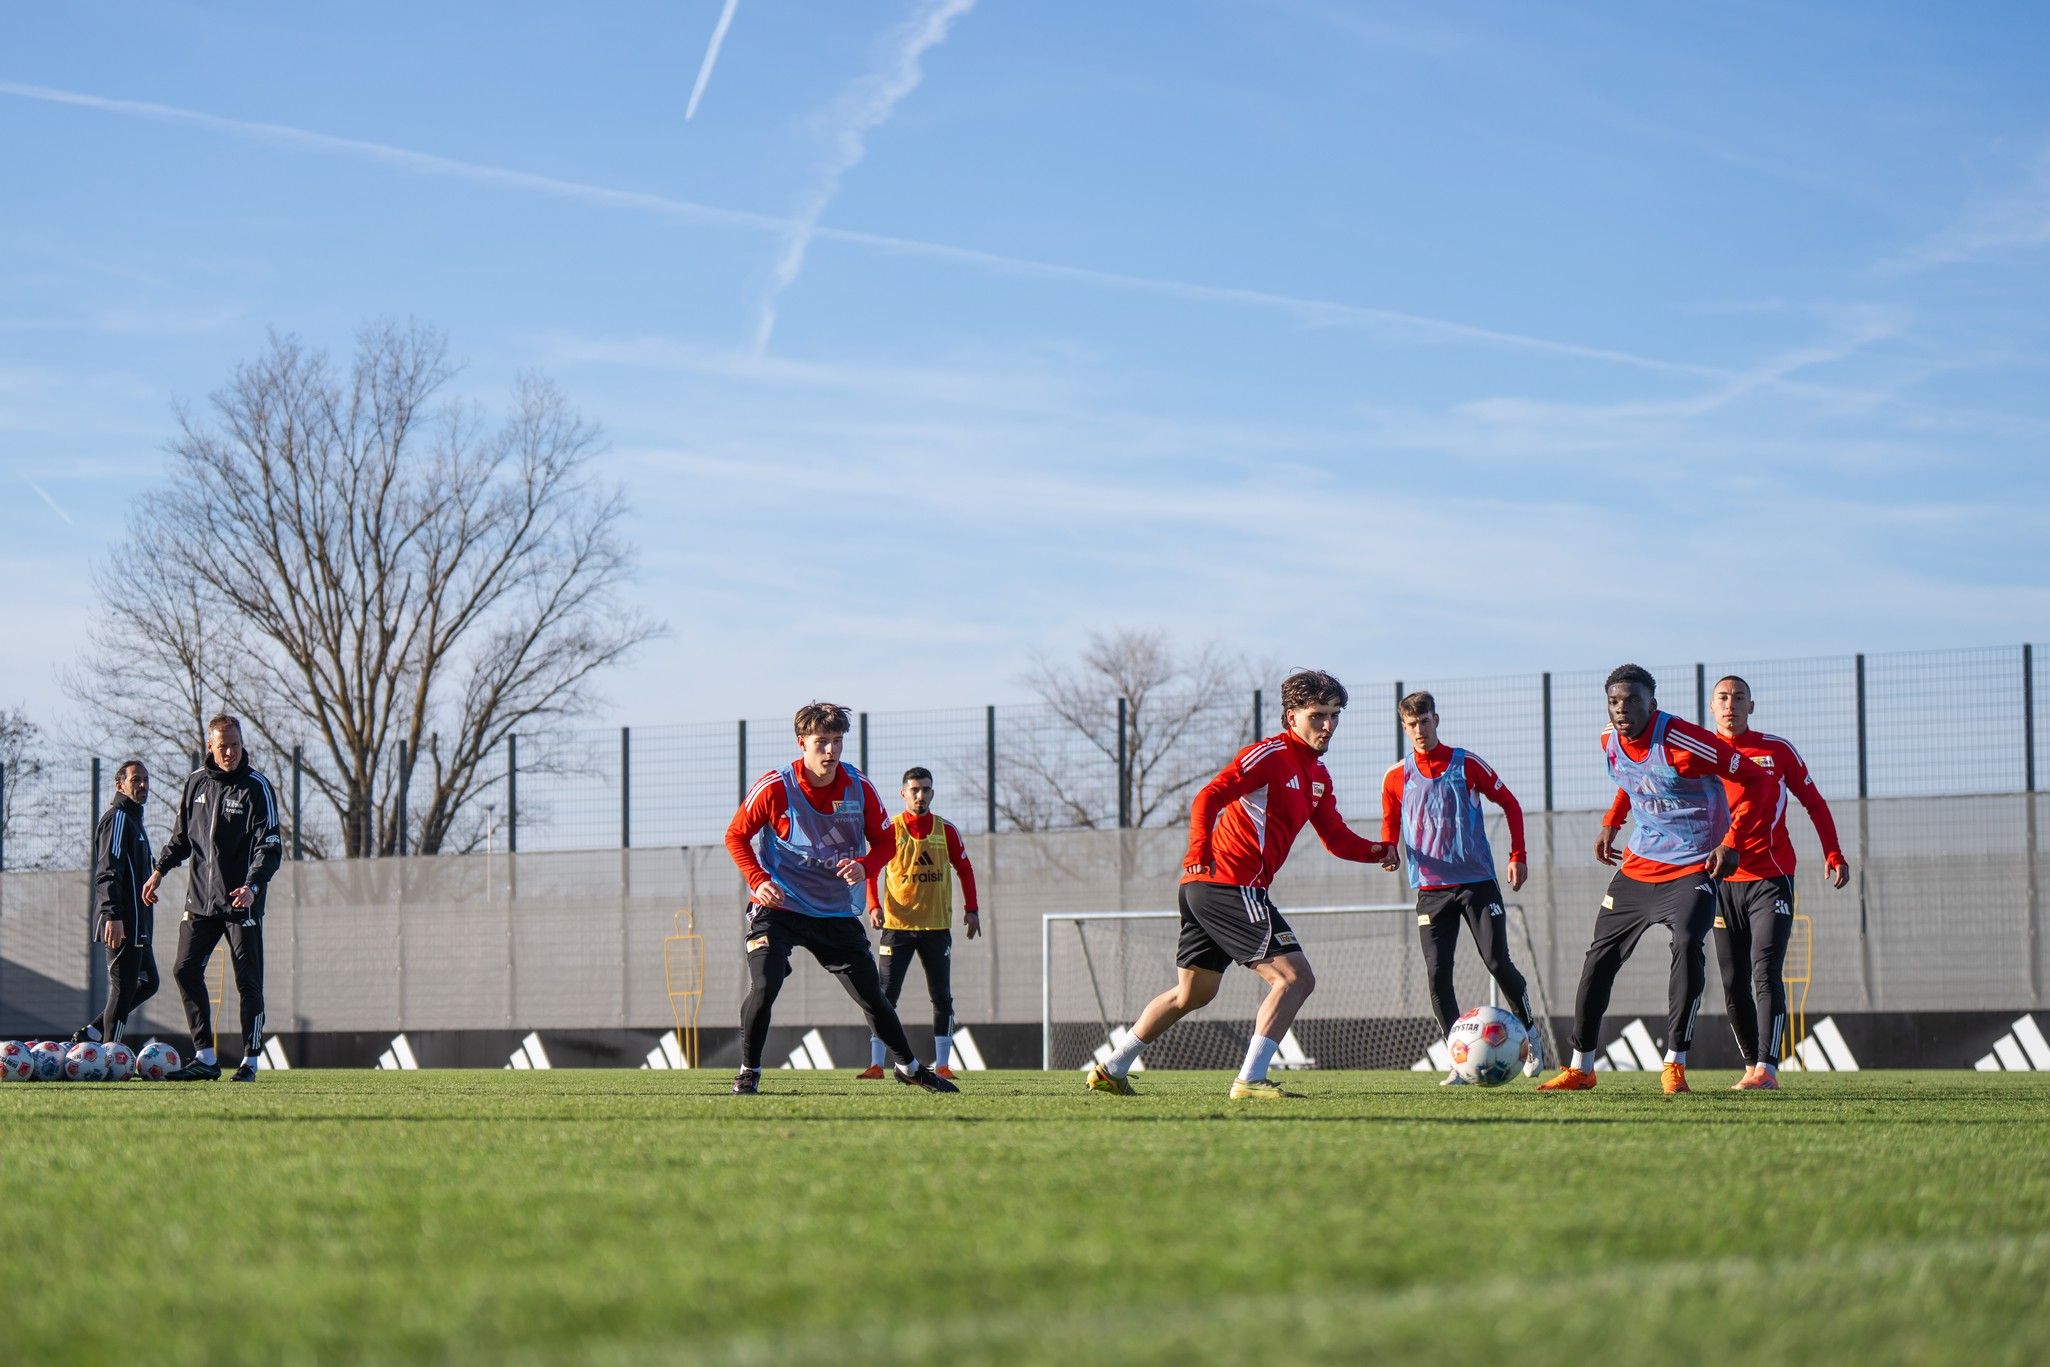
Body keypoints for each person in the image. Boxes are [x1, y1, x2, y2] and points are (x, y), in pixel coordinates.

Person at [1086, 669, 1394, 1100]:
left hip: (1212, 891)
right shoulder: (1269, 755)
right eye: (1318, 715)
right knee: (1295, 978)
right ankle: (1250, 1079)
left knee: (1192, 994)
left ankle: (1111, 1067)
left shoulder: (1319, 778)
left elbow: (1336, 838)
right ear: (1292, 716)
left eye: (1335, 715)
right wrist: (1196, 853)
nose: (1328, 725)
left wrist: (1379, 852)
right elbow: (1207, 797)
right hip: (1227, 885)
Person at [1540, 665, 1777, 1095]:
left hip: (1692, 866)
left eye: (1632, 700)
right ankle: (1581, 1066)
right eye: (1614, 701)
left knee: (1687, 943)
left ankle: (1674, 1064)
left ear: (1653, 703)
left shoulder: (1685, 742)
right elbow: (1631, 781)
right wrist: (1612, 822)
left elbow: (1758, 781)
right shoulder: (1608, 740)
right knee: (1599, 958)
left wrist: (1732, 841)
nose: (1622, 708)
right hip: (1638, 866)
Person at [723, 701, 956, 1096]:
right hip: (779, 907)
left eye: (837, 742)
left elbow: (885, 841)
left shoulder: (858, 786)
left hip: (834, 912)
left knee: (873, 997)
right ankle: (749, 1071)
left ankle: (910, 1067)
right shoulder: (775, 786)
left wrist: (866, 865)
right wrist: (758, 878)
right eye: (821, 742)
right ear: (802, 743)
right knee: (764, 984)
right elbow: (736, 836)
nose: (830, 751)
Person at [1379, 692, 1543, 1084]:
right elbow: (1390, 824)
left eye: (1425, 722)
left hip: (1477, 884)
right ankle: (1459, 1059)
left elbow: (1511, 803)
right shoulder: (1394, 776)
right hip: (1431, 891)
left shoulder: (1465, 762)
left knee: (1498, 962)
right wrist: (1388, 851)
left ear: (1437, 719)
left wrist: (1517, 854)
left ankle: (1531, 1038)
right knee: (1437, 976)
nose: (1420, 730)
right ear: (1404, 727)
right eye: (1411, 725)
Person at [1705, 675, 1849, 1091]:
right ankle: (1750, 1065)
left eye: (1739, 698)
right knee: (1732, 980)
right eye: (1723, 698)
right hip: (1719, 882)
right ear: (1712, 707)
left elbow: (1814, 802)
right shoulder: (1700, 752)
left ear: (1752, 707)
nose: (1731, 704)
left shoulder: (1776, 751)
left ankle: (1768, 1069)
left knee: (1764, 971)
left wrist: (1833, 852)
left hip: (1771, 878)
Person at [144, 716, 283, 1083]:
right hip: (201, 903)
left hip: (242, 904)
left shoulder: (257, 788)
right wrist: (159, 870)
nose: (230, 752)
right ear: (210, 746)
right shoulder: (195, 784)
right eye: (223, 746)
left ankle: (251, 1061)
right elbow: (182, 839)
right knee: (183, 970)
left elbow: (271, 847)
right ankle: (205, 1057)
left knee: (247, 982)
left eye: (235, 745)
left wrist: (252, 886)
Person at [859, 767, 981, 1080]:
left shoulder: (946, 831)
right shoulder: (892, 830)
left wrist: (972, 910)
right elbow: (871, 870)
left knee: (941, 996)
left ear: (932, 793)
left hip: (936, 928)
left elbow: (965, 870)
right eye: (914, 790)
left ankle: (942, 1064)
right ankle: (876, 1064)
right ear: (903, 794)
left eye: (926, 789)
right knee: (883, 996)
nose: (920, 795)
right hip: (897, 927)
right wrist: (873, 906)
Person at [71, 760, 158, 1046]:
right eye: (136, 780)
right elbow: (108, 869)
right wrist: (112, 915)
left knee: (148, 983)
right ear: (120, 784)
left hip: (139, 924)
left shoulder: (135, 821)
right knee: (123, 989)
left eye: (146, 779)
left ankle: (93, 1033)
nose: (143, 785)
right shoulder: (118, 817)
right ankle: (110, 1056)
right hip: (123, 922)